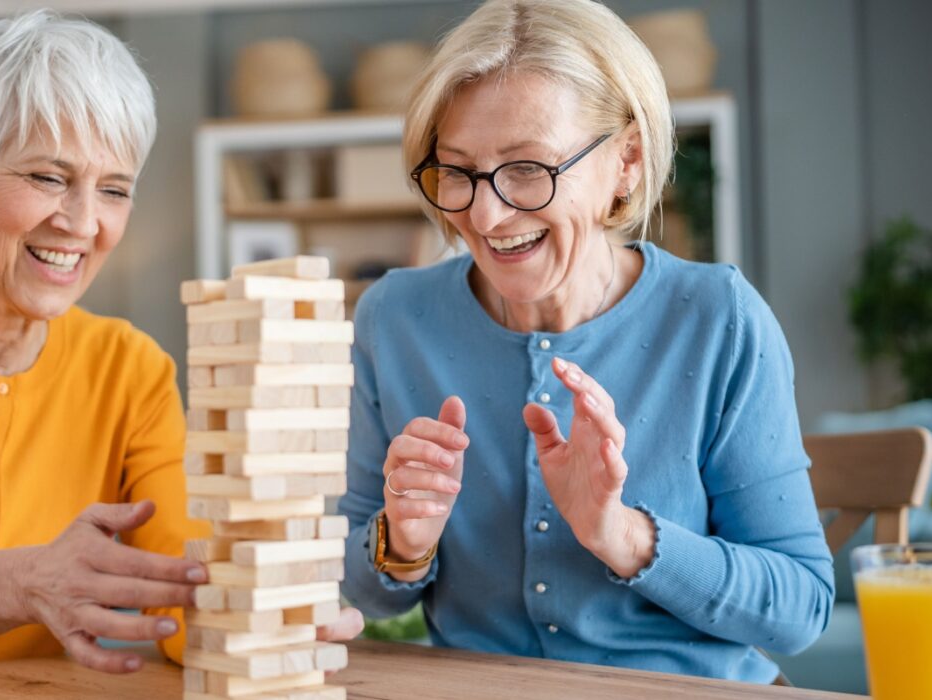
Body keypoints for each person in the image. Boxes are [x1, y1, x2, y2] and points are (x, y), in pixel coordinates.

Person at [0, 10, 359, 680]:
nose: (81, 222)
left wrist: (265, 608)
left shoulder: (130, 368)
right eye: (48, 177)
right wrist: (28, 580)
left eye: (114, 189)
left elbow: (185, 585)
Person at [338, 0, 833, 685]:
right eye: (457, 170)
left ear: (626, 160)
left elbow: (800, 608)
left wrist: (622, 535)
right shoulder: (394, 319)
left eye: (527, 168)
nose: (485, 214)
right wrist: (403, 545)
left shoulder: (718, 319)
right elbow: (362, 588)